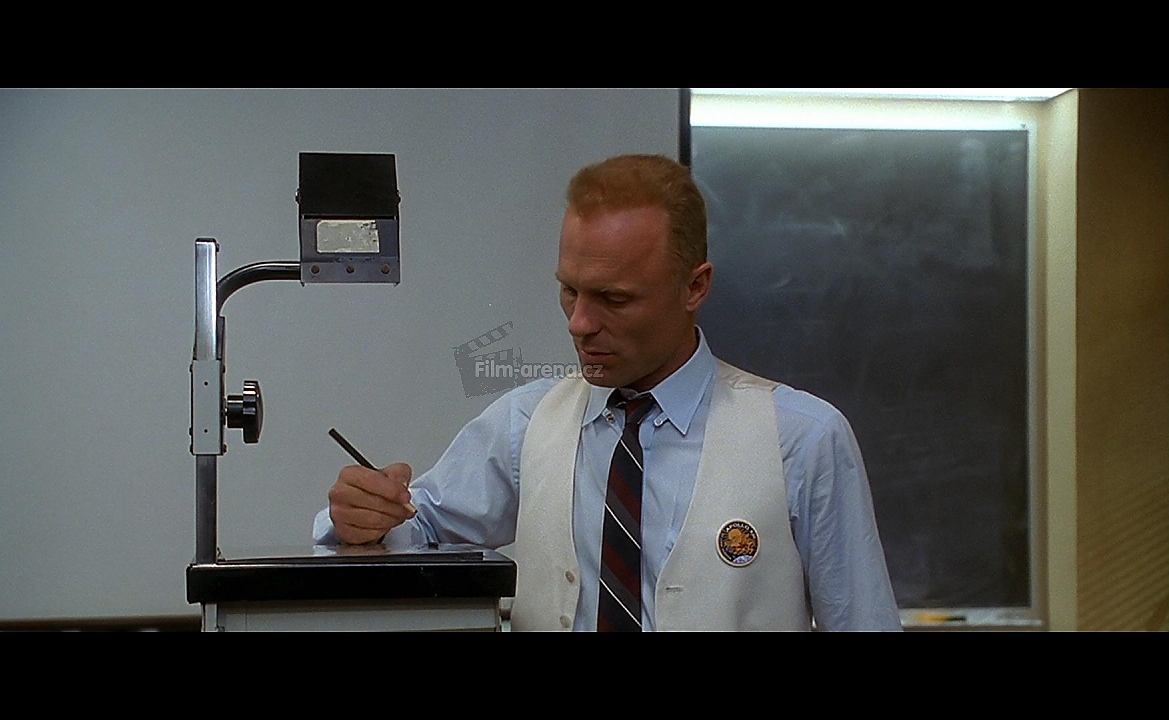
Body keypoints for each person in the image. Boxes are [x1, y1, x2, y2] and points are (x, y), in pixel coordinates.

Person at [313, 153, 901, 631]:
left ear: (694, 287)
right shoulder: (528, 423)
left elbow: (862, 621)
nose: (579, 324)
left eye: (613, 299)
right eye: (570, 291)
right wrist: (363, 520)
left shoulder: (799, 440)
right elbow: (417, 529)